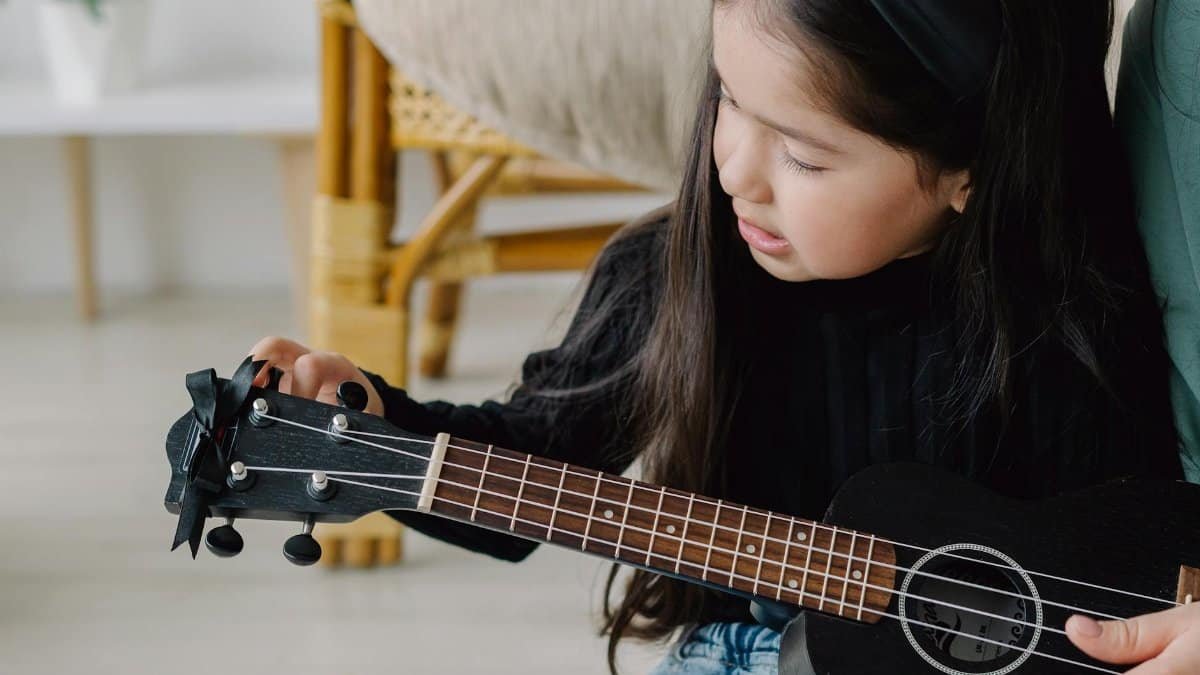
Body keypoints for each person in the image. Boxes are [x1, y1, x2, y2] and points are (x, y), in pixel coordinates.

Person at [248, 0, 1192, 672]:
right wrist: (375, 423)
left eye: (804, 153)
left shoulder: (1071, 302)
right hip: (749, 645)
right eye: (730, 99)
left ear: (969, 171)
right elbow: (529, 453)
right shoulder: (671, 275)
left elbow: (1135, 537)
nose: (736, 169)